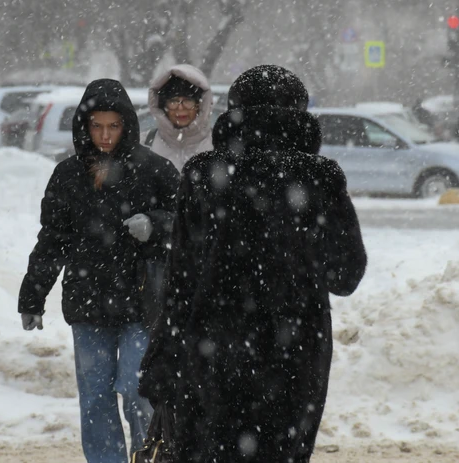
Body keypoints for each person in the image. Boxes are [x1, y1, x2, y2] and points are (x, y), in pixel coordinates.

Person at [139, 65, 368, 463]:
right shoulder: (322, 177)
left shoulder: (203, 175)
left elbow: (181, 280)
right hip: (297, 354)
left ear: (234, 111)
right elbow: (345, 275)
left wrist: (164, 358)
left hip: (214, 352)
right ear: (301, 112)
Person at [18, 79, 180, 463]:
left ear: (127, 125)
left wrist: (154, 224)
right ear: (84, 126)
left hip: (143, 303)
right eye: (97, 126)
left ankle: (149, 455)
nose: (105, 136)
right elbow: (51, 240)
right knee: (94, 397)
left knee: (138, 390)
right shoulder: (68, 176)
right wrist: (32, 295)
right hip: (87, 303)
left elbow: (187, 226)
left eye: (114, 126)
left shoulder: (155, 170)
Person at [145, 64, 214, 172]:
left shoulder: (219, 145)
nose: (180, 108)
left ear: (200, 105)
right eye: (173, 101)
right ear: (163, 106)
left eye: (188, 100)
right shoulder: (144, 144)